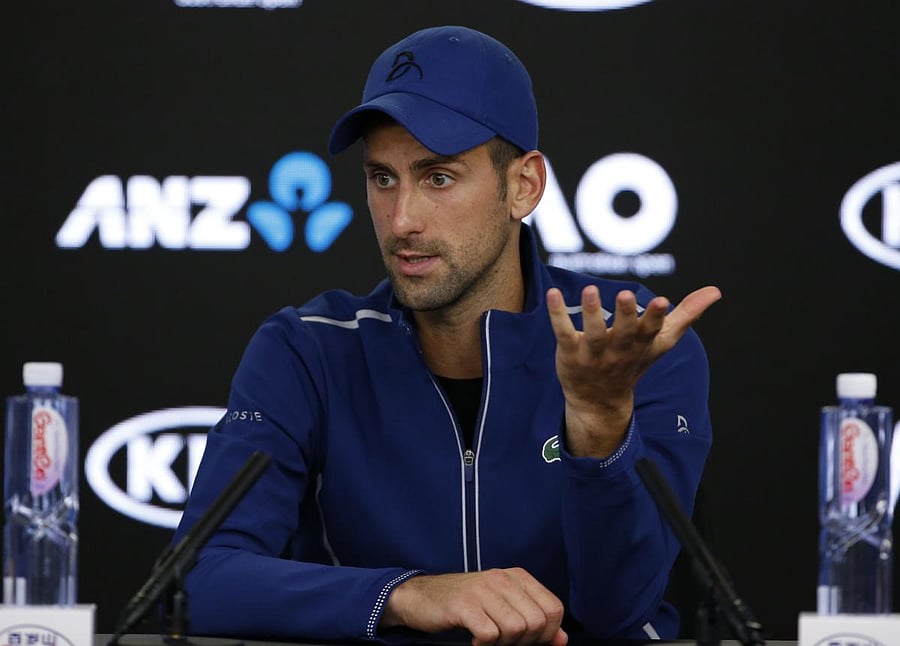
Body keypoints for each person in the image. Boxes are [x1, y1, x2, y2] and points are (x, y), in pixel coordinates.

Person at [174, 25, 721, 645]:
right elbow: (198, 582)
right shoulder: (310, 349)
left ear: (525, 186)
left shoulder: (628, 344)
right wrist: (403, 594)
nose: (402, 220)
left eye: (438, 177)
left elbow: (619, 612)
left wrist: (599, 426)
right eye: (383, 178)